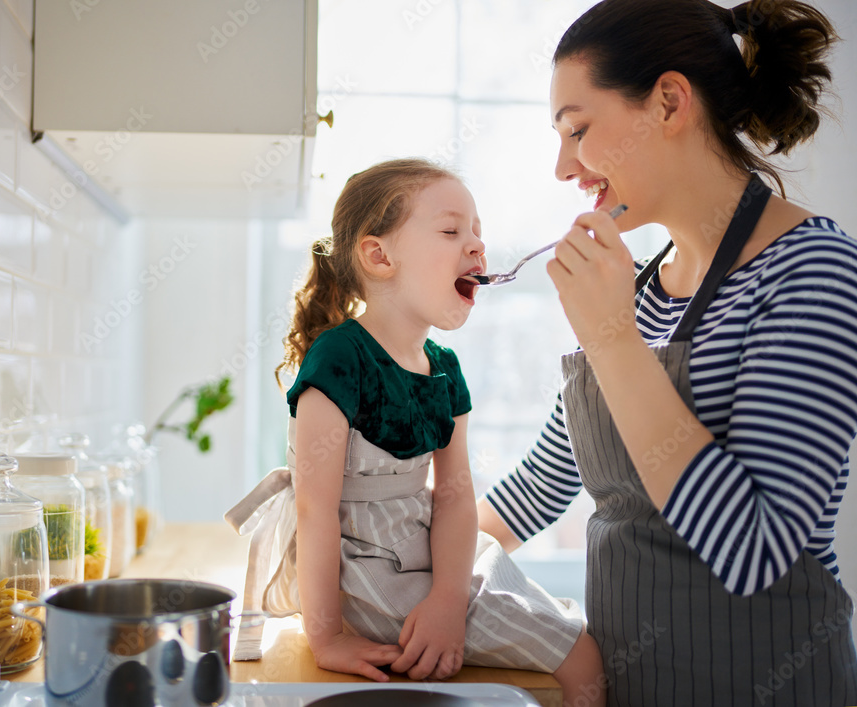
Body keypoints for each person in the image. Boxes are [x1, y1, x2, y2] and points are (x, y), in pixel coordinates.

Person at [477, 0, 857, 705]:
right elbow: (540, 488)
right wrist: (400, 561)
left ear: (670, 103)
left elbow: (756, 548)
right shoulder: (643, 292)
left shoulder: (815, 272)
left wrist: (612, 340)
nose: (565, 167)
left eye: (578, 130)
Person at [226, 158, 605, 705]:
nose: (476, 247)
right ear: (379, 256)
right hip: (369, 572)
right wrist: (327, 637)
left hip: (425, 552)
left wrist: (449, 599)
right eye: (452, 231)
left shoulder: (444, 366)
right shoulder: (339, 358)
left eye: (478, 232)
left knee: (573, 634)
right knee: (583, 658)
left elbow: (454, 499)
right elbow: (315, 509)